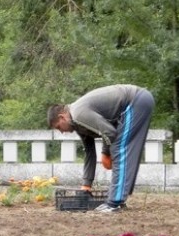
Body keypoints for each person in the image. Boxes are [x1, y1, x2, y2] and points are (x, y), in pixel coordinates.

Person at [48, 84, 154, 213]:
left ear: (62, 117)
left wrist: (106, 153)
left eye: (59, 127)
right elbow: (90, 152)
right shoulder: (77, 123)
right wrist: (86, 185)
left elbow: (109, 133)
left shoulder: (79, 114)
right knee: (121, 149)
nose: (62, 132)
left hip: (136, 101)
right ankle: (117, 200)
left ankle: (114, 203)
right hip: (139, 101)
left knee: (119, 149)